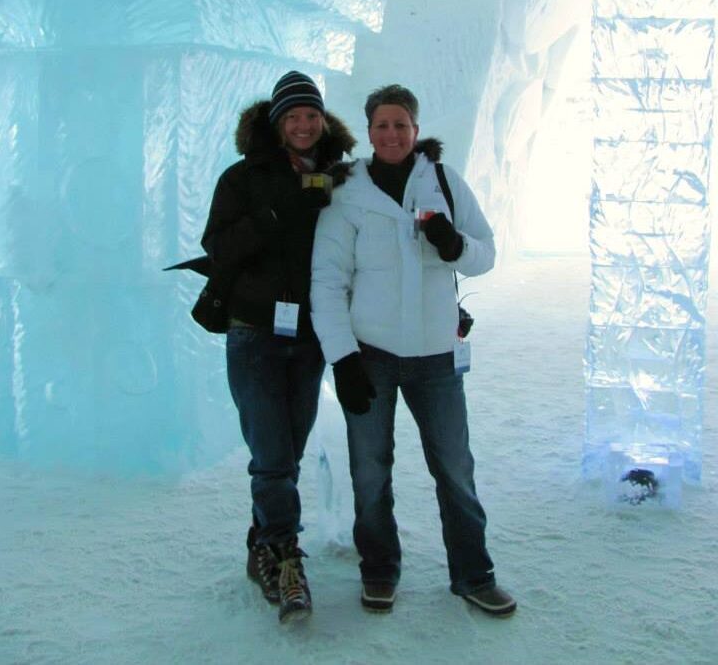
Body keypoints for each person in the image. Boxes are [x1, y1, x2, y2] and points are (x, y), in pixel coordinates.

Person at [310, 84, 516, 617]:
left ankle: (474, 574)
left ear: (416, 131)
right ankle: (379, 569)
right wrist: (344, 358)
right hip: (370, 356)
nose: (392, 134)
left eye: (401, 124)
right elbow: (327, 281)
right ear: (368, 130)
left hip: (436, 359)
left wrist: (455, 245)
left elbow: (486, 253)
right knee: (370, 471)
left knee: (455, 470)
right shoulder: (348, 193)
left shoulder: (444, 182)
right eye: (382, 125)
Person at [201, 70, 355, 624]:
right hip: (254, 332)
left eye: (311, 115)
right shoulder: (243, 179)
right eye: (293, 116)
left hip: (310, 334)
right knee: (270, 457)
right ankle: (287, 561)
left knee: (285, 453)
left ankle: (261, 543)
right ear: (276, 122)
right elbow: (216, 247)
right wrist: (274, 213)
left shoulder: (340, 178)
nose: (303, 125)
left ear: (322, 120)